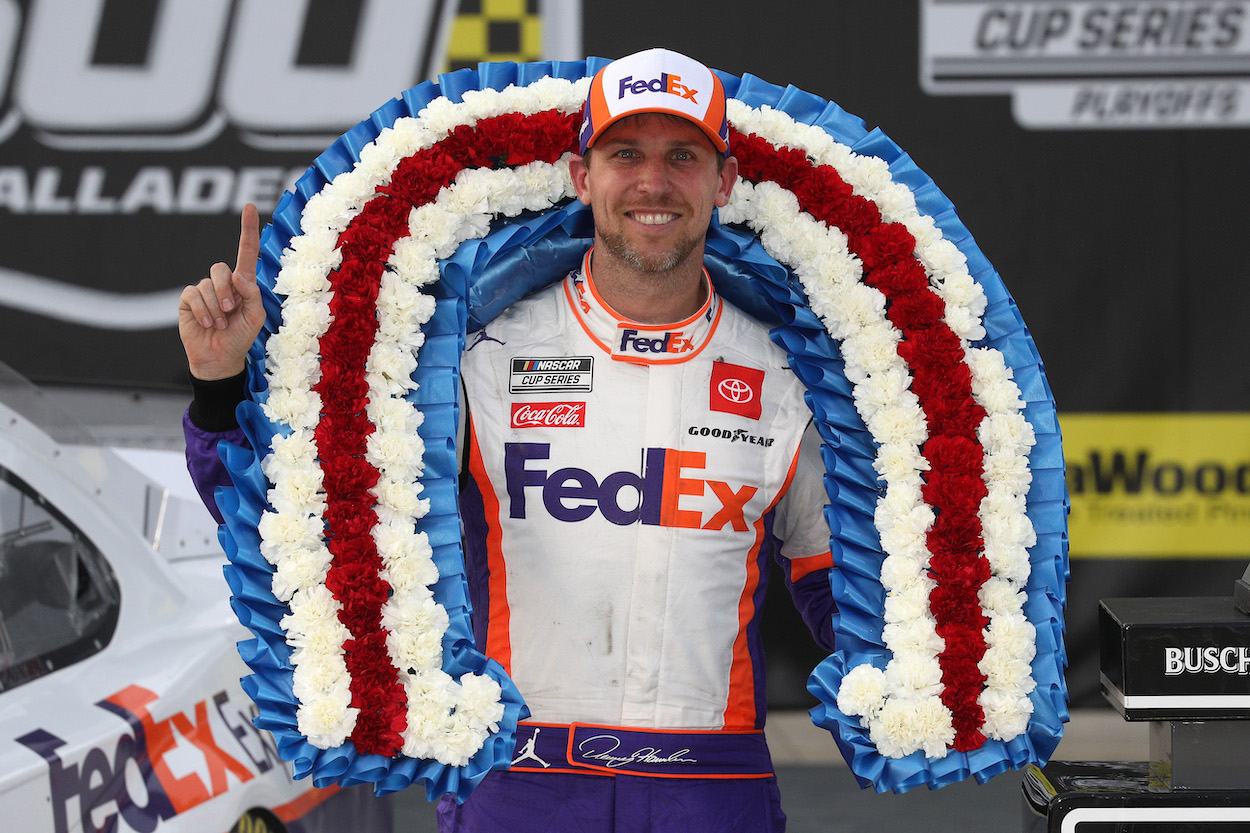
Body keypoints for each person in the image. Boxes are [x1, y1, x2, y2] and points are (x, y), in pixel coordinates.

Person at [180, 48, 836, 833]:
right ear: (578, 174)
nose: (653, 183)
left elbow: (849, 591)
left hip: (710, 787)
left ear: (724, 183)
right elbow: (309, 532)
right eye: (625, 153)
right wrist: (220, 388)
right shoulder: (481, 355)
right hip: (523, 782)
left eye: (682, 156)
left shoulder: (789, 375)